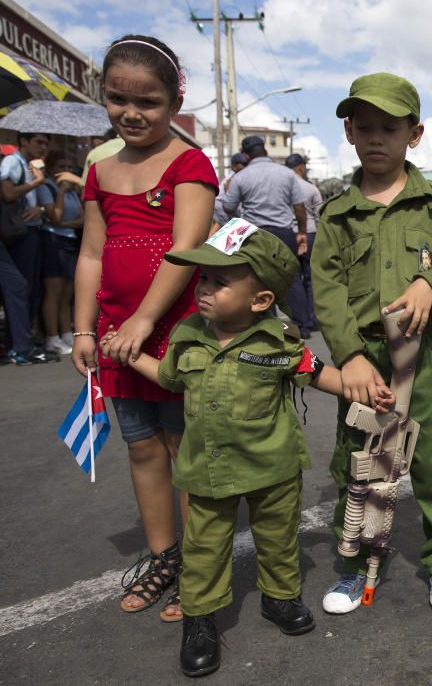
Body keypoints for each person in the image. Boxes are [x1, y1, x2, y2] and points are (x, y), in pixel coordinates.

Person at [101, 220, 394, 676]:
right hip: (207, 470)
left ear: (260, 301)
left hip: (273, 468)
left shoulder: (279, 342)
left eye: (220, 282)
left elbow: (319, 374)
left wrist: (364, 392)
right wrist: (131, 355)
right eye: (203, 278)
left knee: (277, 542)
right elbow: (169, 378)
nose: (204, 289)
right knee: (203, 550)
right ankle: (199, 622)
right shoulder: (186, 335)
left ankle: (280, 599)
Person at [312, 72, 432, 614]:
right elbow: (327, 289)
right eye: (364, 127)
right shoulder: (336, 214)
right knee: (358, 462)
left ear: (415, 133)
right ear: (350, 133)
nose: (376, 137)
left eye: (389, 126)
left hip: (418, 356)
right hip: (363, 363)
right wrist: (350, 358)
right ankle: (353, 564)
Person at [71, 35, 218, 621]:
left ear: (175, 100)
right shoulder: (99, 170)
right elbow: (89, 254)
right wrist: (85, 330)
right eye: (116, 99)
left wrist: (145, 318)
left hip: (175, 332)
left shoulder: (190, 163)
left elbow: (187, 249)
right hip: (116, 339)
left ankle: (200, 566)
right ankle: (165, 558)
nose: (131, 113)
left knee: (185, 448)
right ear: (101, 95)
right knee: (140, 449)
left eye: (149, 102)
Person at [219, 136, 310, 336]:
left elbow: (228, 206)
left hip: (254, 233)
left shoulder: (241, 177)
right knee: (293, 278)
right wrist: (302, 231)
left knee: (261, 279)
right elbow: (299, 207)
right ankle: (302, 326)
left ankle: (269, 325)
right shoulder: (287, 174)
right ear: (265, 151)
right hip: (283, 232)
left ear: (245, 154)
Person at [1, 131, 50, 336]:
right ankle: (18, 341)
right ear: (24, 141)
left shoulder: (28, 165)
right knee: (20, 287)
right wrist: (36, 183)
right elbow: (8, 193)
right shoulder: (12, 162)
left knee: (30, 287)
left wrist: (39, 209)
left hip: (30, 229)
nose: (43, 147)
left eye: (46, 144)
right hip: (18, 232)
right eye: (39, 142)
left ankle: (25, 337)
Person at [37, 150, 85, 354]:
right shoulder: (47, 187)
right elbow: (55, 216)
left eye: (67, 167)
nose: (64, 172)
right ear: (50, 169)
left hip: (69, 239)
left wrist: (65, 222)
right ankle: (52, 337)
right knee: (54, 291)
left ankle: (66, 334)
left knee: (67, 292)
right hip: (52, 240)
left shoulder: (72, 189)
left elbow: (82, 219)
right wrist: (61, 193)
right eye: (59, 167)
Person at [285, 152, 321, 334]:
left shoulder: (283, 186)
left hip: (289, 234)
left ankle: (299, 320)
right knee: (310, 278)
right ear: (300, 168)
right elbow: (319, 215)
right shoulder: (310, 188)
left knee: (293, 279)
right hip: (311, 234)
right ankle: (311, 319)